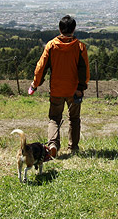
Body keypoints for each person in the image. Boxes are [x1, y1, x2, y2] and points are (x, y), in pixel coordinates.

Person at [28, 15, 90, 157]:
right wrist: (81, 87)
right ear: (74, 29)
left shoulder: (51, 45)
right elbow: (84, 69)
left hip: (56, 89)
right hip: (74, 90)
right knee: (74, 119)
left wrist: (35, 84)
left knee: (54, 118)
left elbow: (41, 67)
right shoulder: (80, 47)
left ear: (59, 29)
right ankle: (73, 148)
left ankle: (52, 145)